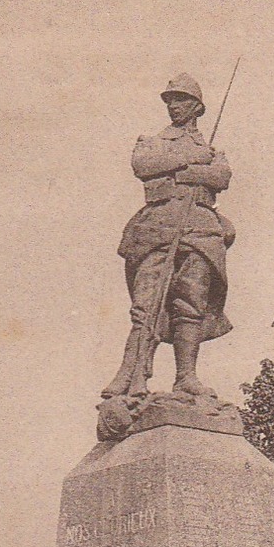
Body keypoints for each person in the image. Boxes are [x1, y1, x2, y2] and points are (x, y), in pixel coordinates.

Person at [101, 74, 236, 400]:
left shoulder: (212, 150)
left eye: (181, 100)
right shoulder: (154, 141)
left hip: (200, 227)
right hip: (157, 227)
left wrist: (184, 170)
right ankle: (131, 374)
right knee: (145, 304)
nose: (173, 106)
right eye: (169, 101)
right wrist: (192, 162)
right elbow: (143, 165)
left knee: (190, 303)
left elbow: (222, 177)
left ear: (197, 107)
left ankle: (186, 377)